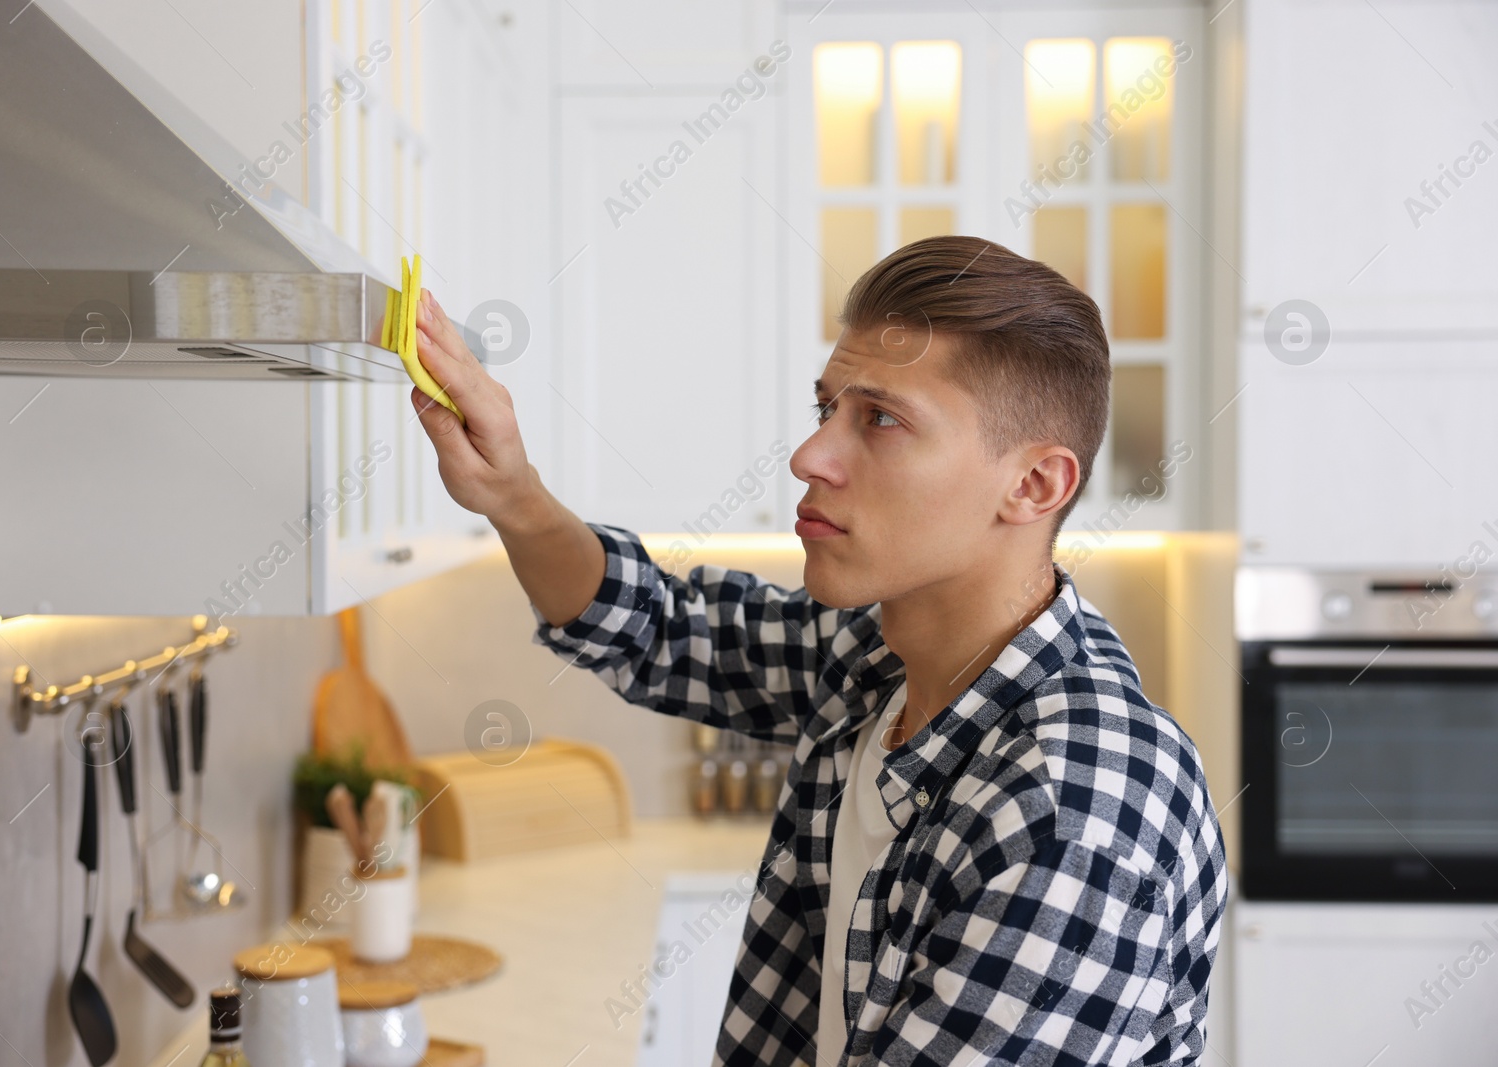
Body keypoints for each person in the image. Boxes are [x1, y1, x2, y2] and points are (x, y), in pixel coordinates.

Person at [407, 235, 1227, 1066]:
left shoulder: (1072, 809)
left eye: (881, 418)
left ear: (1033, 485)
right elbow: (655, 626)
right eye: (826, 409)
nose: (809, 456)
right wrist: (511, 492)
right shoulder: (877, 660)